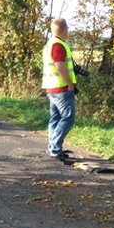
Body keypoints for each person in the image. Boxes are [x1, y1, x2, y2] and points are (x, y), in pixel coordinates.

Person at [42, 18, 77, 161]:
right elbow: (60, 66)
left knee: (55, 118)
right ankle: (55, 148)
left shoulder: (49, 44)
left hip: (51, 87)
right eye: (67, 28)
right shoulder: (58, 45)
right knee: (68, 118)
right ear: (64, 29)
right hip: (61, 88)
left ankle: (53, 147)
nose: (68, 31)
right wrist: (70, 84)